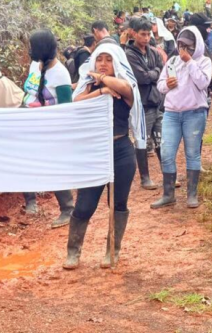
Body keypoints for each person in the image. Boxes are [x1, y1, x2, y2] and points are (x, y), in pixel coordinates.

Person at [65, 43, 143, 269]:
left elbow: (125, 88)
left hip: (121, 150)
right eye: (99, 60)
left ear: (117, 62)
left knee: (117, 203)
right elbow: (75, 101)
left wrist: (104, 79)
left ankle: (112, 251)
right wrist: (101, 90)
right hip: (95, 152)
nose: (103, 64)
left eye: (109, 60)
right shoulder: (87, 87)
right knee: (84, 205)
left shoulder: (125, 86)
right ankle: (73, 252)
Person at [152, 27, 212, 209]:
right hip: (171, 113)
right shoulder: (171, 61)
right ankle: (168, 194)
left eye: (188, 46)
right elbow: (161, 85)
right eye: (180, 45)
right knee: (167, 153)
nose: (183, 50)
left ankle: (192, 195)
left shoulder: (203, 61)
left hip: (194, 113)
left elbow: (203, 83)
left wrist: (189, 62)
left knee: (192, 153)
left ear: (197, 46)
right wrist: (166, 85)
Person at [20, 29, 76, 226]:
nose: (30, 50)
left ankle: (68, 209)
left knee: (54, 168)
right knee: (25, 162)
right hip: (30, 124)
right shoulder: (35, 66)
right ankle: (30, 201)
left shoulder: (60, 74)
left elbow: (65, 108)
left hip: (50, 129)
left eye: (33, 47)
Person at [125, 18, 164, 190]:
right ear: (133, 33)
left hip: (156, 102)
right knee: (141, 140)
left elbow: (160, 71)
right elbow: (141, 77)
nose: (147, 38)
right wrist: (153, 73)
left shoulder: (153, 52)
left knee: (160, 139)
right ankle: (145, 177)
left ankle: (168, 174)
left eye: (149, 34)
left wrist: (152, 73)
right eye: (143, 34)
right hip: (141, 104)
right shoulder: (129, 54)